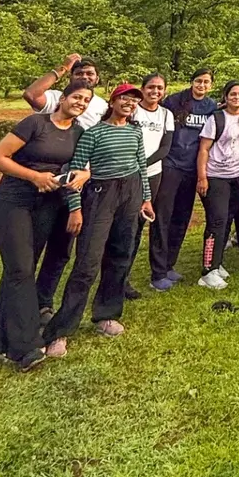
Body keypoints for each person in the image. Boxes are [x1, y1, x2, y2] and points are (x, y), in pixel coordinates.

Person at [0, 80, 92, 370]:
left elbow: (83, 165)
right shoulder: (35, 123)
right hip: (14, 202)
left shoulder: (80, 132)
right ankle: (24, 347)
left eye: (86, 100)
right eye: (77, 97)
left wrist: (83, 175)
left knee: (22, 269)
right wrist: (34, 177)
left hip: (48, 206)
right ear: (63, 98)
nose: (80, 102)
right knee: (20, 269)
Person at [42, 85, 153, 357]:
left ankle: (106, 314)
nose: (129, 103)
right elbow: (76, 173)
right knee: (87, 263)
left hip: (131, 194)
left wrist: (146, 199)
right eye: (125, 98)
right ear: (113, 101)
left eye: (134, 101)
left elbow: (141, 167)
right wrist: (76, 209)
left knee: (120, 256)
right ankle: (61, 331)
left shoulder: (134, 132)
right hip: (100, 196)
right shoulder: (93, 133)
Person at [20, 54, 108, 313]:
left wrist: (88, 174)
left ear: (98, 78)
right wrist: (62, 68)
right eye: (79, 74)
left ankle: (43, 303)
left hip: (79, 182)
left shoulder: (100, 105)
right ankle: (18, 306)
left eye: (90, 74)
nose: (85, 78)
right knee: (32, 249)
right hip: (45, 183)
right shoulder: (57, 97)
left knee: (61, 248)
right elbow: (31, 95)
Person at [150, 68, 216, 290]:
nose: (202, 85)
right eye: (198, 81)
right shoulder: (174, 101)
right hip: (171, 164)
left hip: (192, 167)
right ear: (192, 82)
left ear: (211, 86)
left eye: (206, 82)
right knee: (163, 217)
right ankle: (157, 271)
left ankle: (169, 265)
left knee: (181, 218)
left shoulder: (211, 107)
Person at [195, 82, 239, 290]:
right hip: (216, 176)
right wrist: (202, 177)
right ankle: (208, 270)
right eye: (233, 94)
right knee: (216, 221)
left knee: (227, 220)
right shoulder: (216, 118)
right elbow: (203, 149)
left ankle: (217, 264)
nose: (237, 98)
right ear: (225, 97)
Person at [124, 74, 173, 299]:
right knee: (127, 225)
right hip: (125, 172)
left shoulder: (166, 114)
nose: (155, 91)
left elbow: (165, 147)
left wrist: (142, 165)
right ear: (142, 89)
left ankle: (129, 276)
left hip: (152, 174)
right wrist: (131, 164)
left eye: (159, 88)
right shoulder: (133, 109)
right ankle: (120, 278)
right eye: (151, 87)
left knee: (142, 221)